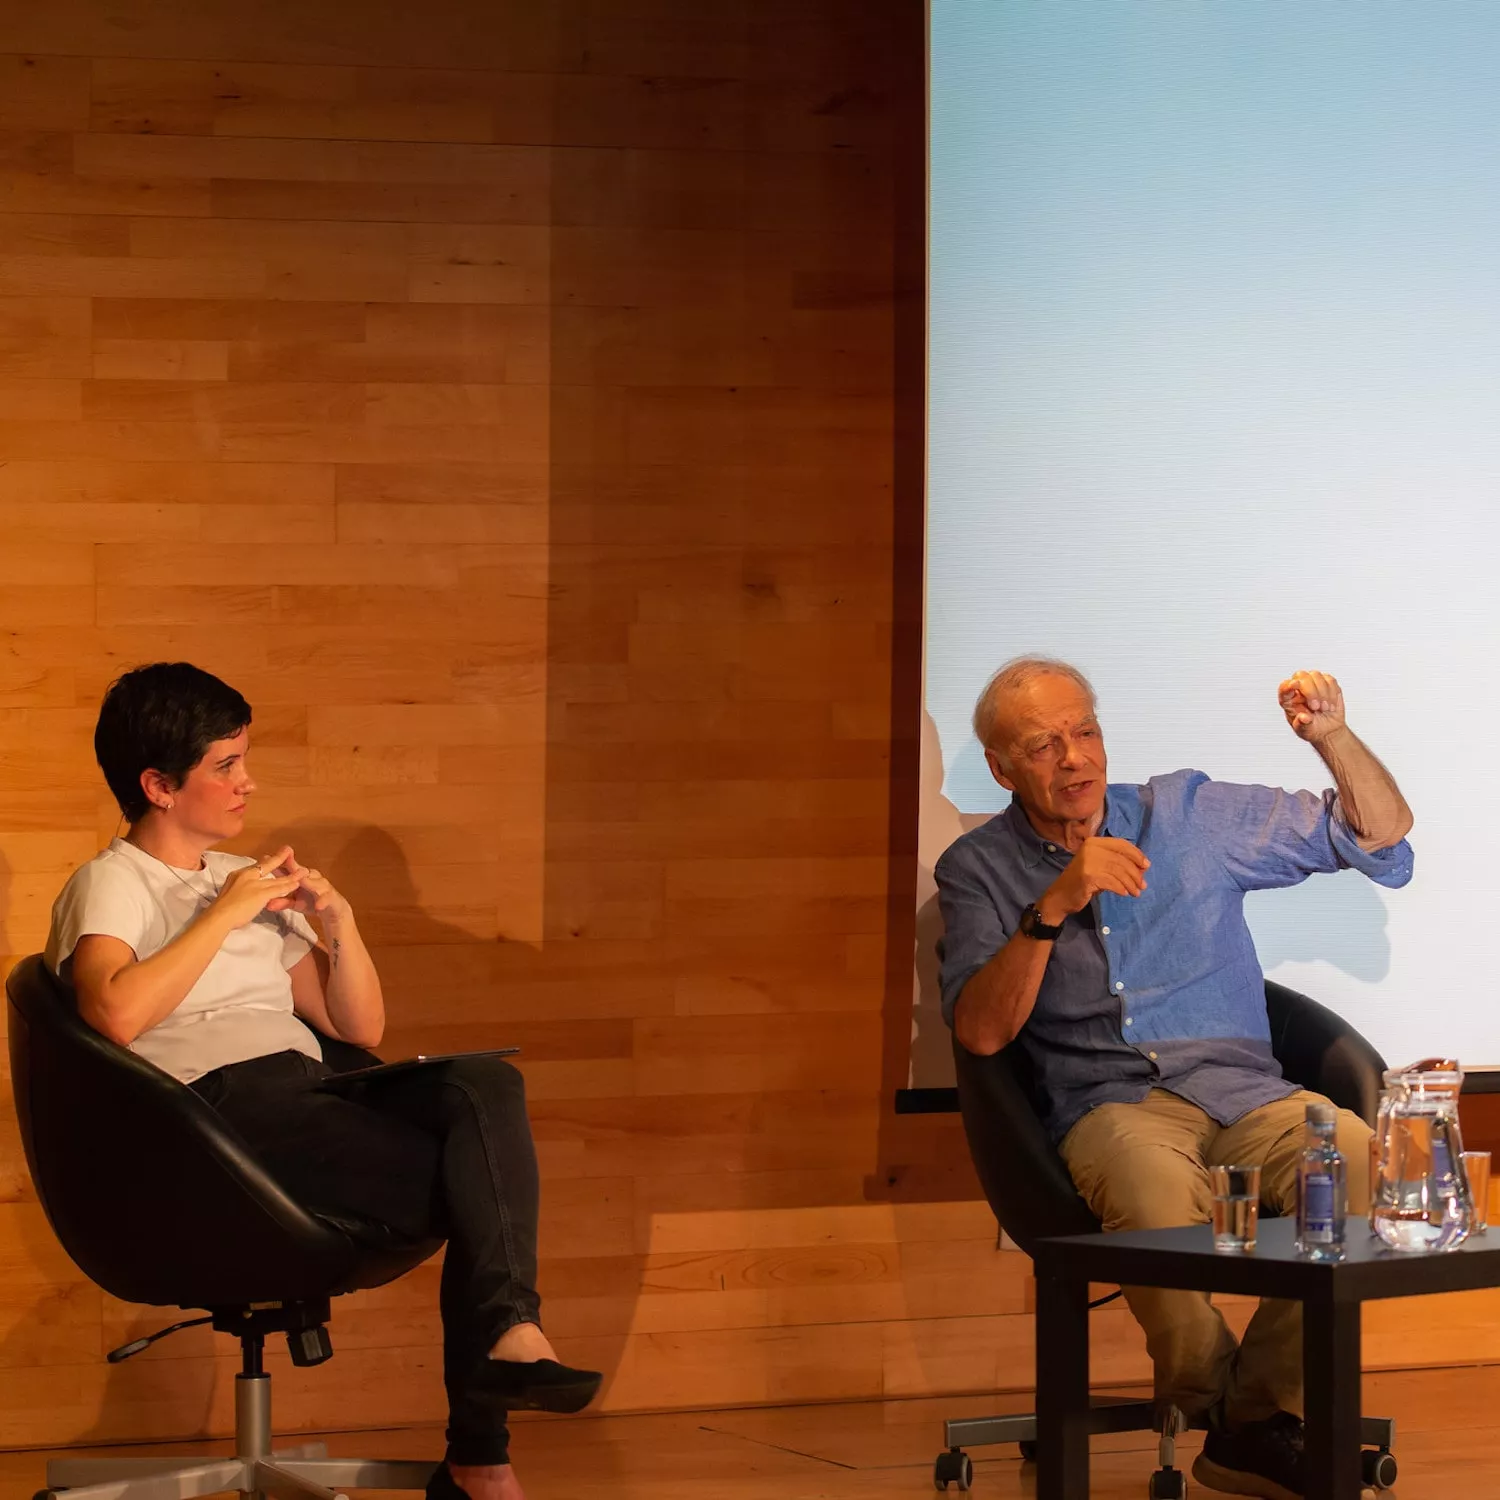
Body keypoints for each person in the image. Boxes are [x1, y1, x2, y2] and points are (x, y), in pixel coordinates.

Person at [45, 662, 597, 1500]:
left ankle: (511, 1337)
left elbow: (357, 1029)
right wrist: (226, 913)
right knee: (476, 1183)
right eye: (224, 766)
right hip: (211, 1126)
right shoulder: (113, 881)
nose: (246, 782)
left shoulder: (239, 883)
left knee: (482, 1088)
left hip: (304, 1094)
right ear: (158, 784)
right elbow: (115, 1013)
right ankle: (481, 1451)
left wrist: (338, 920)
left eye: (244, 759)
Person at [935, 656, 1413, 1500]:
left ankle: (1244, 1420)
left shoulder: (1186, 815)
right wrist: (1053, 906)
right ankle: (1243, 1421)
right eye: (1045, 746)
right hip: (1112, 1108)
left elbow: (1381, 836)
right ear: (1002, 770)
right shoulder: (977, 869)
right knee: (1159, 1201)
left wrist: (1331, 738)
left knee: (1360, 1161)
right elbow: (980, 1030)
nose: (1076, 758)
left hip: (1246, 1092)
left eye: (1085, 732)